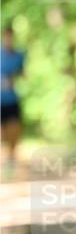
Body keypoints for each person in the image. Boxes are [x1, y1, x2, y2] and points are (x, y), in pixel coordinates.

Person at [1, 24, 26, 171]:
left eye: (11, 37)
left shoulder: (19, 56)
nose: (9, 40)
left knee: (14, 132)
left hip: (12, 99)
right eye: (6, 37)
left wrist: (13, 78)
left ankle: (10, 160)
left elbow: (23, 74)